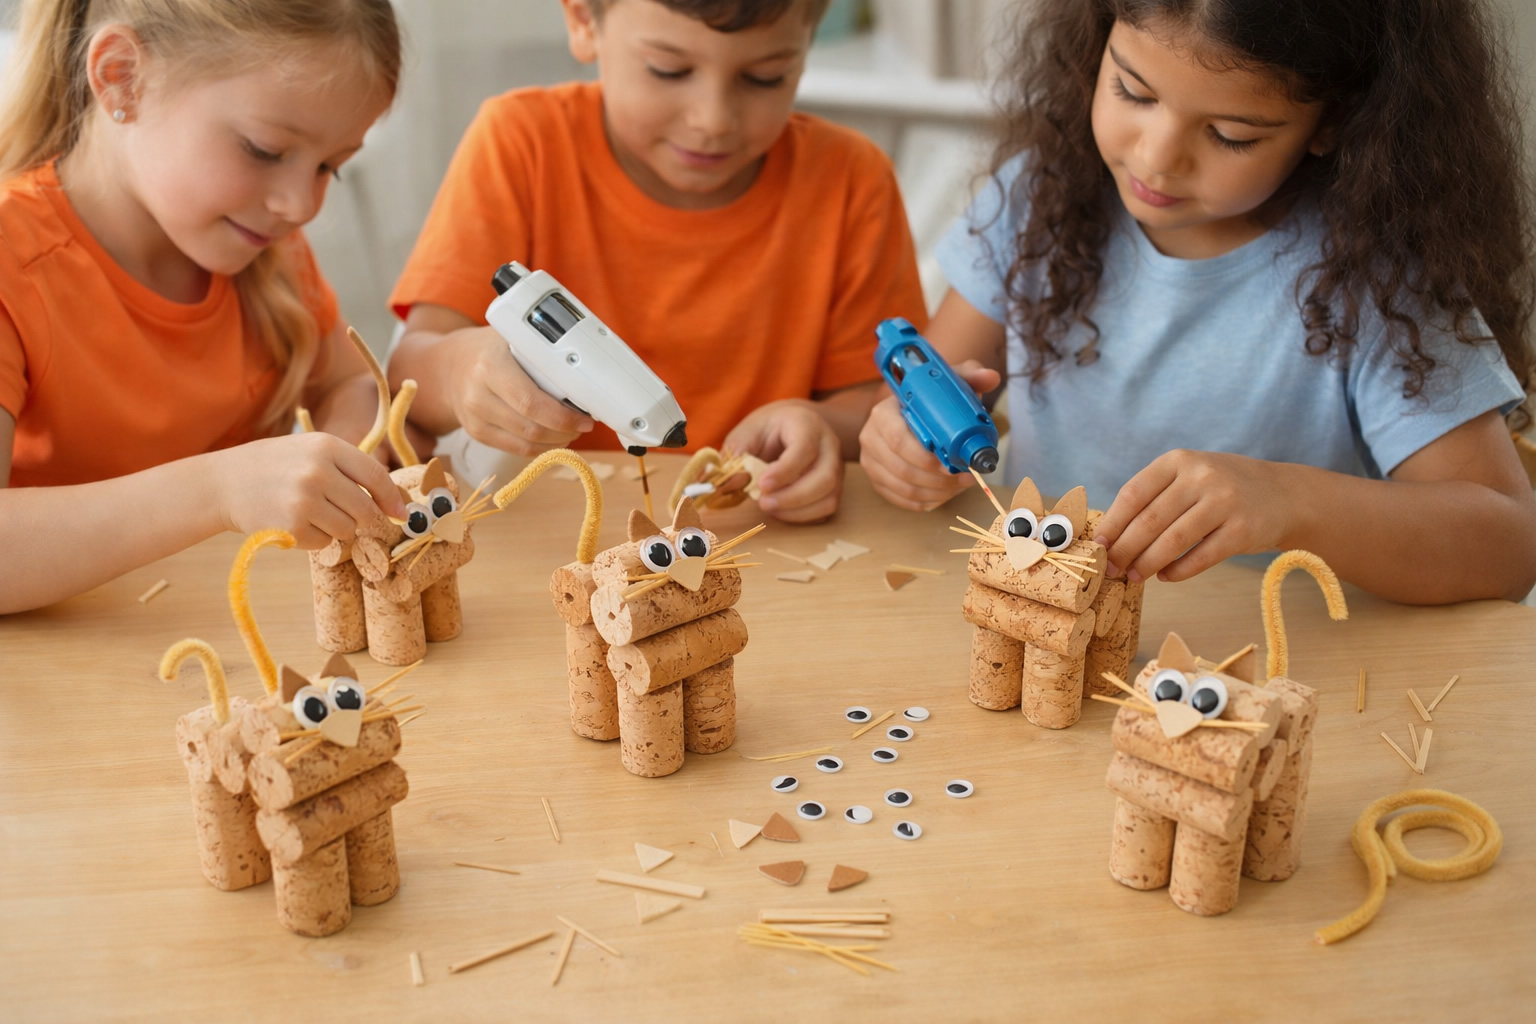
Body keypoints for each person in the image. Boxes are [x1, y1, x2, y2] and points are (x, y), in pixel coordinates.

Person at [859, 0, 1536, 604]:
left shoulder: (1376, 284)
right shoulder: (1037, 200)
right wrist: (903, 443)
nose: (1156, 159)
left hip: (1281, 668)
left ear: (1334, 120)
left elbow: (1510, 548)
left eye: (1231, 135)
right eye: (1132, 91)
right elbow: (926, 387)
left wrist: (1289, 500)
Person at [387, 0, 927, 523]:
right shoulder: (520, 144)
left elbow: (878, 404)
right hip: (549, 537)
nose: (713, 119)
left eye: (765, 77)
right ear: (582, 18)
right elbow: (408, 378)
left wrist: (821, 428)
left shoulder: (852, 184)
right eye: (668, 70)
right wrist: (460, 374)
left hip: (764, 537)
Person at [0, 0, 407, 615]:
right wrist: (220, 490)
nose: (301, 206)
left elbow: (350, 384)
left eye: (331, 168)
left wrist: (346, 451)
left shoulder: (268, 254)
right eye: (265, 150)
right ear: (122, 78)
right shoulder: (13, 260)